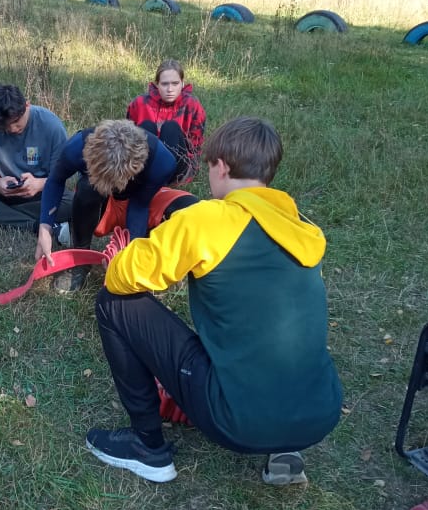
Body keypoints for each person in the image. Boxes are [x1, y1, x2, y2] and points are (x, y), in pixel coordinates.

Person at [87, 117, 342, 485]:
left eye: (209, 168)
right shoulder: (301, 226)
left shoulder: (208, 218)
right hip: (321, 411)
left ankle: (147, 447)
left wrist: (123, 255)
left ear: (221, 167)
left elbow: (122, 276)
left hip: (238, 421)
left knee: (113, 303)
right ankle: (285, 445)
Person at [36, 120, 195, 294]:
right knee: (86, 187)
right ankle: (81, 260)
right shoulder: (77, 146)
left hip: (140, 199)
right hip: (104, 203)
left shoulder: (162, 162)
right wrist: (45, 227)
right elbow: (55, 180)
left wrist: (127, 253)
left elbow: (140, 205)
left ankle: (148, 259)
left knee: (186, 209)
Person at [0, 83, 73, 235]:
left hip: (38, 193)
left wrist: (38, 184)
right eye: (4, 126)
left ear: (27, 106)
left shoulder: (51, 125)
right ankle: (36, 226)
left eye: (16, 121)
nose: (12, 129)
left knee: (72, 202)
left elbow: (61, 175)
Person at [126, 59, 206, 183]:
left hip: (177, 167)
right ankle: (143, 177)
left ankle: (163, 178)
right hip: (144, 164)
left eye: (175, 83)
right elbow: (127, 138)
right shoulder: (140, 104)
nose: (170, 89)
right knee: (146, 126)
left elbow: (196, 146)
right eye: (165, 84)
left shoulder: (192, 105)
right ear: (157, 84)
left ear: (182, 83)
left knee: (171, 128)